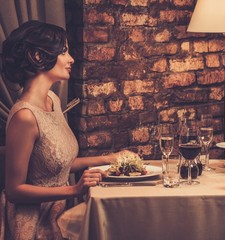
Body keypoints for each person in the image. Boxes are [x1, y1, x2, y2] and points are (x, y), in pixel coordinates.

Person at [0, 20, 137, 239]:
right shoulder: (24, 116)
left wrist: (111, 157)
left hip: (57, 216)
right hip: (33, 224)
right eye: (63, 51)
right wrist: (74, 190)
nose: (71, 59)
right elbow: (15, 190)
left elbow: (57, 164)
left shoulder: (52, 100)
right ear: (38, 56)